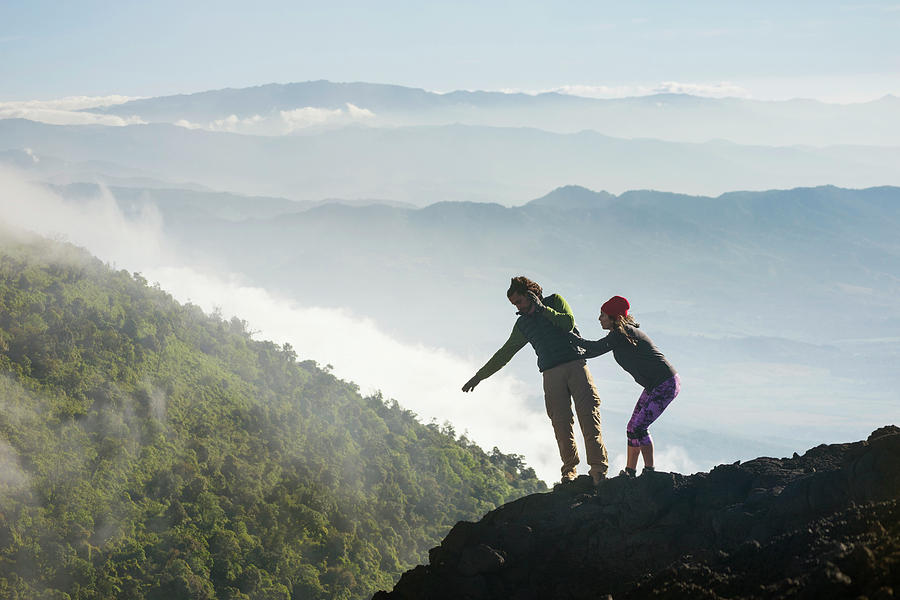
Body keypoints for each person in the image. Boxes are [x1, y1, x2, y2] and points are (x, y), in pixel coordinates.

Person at [462, 276, 608, 484]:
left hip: (576, 366)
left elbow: (568, 323)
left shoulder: (555, 301)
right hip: (550, 374)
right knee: (560, 423)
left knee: (588, 415)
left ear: (532, 294)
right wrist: (479, 376)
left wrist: (542, 309)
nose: (518, 307)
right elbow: (505, 353)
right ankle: (569, 470)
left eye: (519, 301)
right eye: (514, 304)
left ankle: (598, 470)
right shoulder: (522, 325)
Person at [569, 295, 679, 478]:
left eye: (603, 315)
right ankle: (630, 471)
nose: (599, 318)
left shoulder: (622, 333)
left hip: (665, 384)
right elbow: (596, 350)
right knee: (632, 427)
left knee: (639, 427)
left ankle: (650, 471)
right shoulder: (619, 335)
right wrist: (574, 349)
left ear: (613, 317)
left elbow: (595, 347)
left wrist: (569, 336)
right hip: (656, 385)